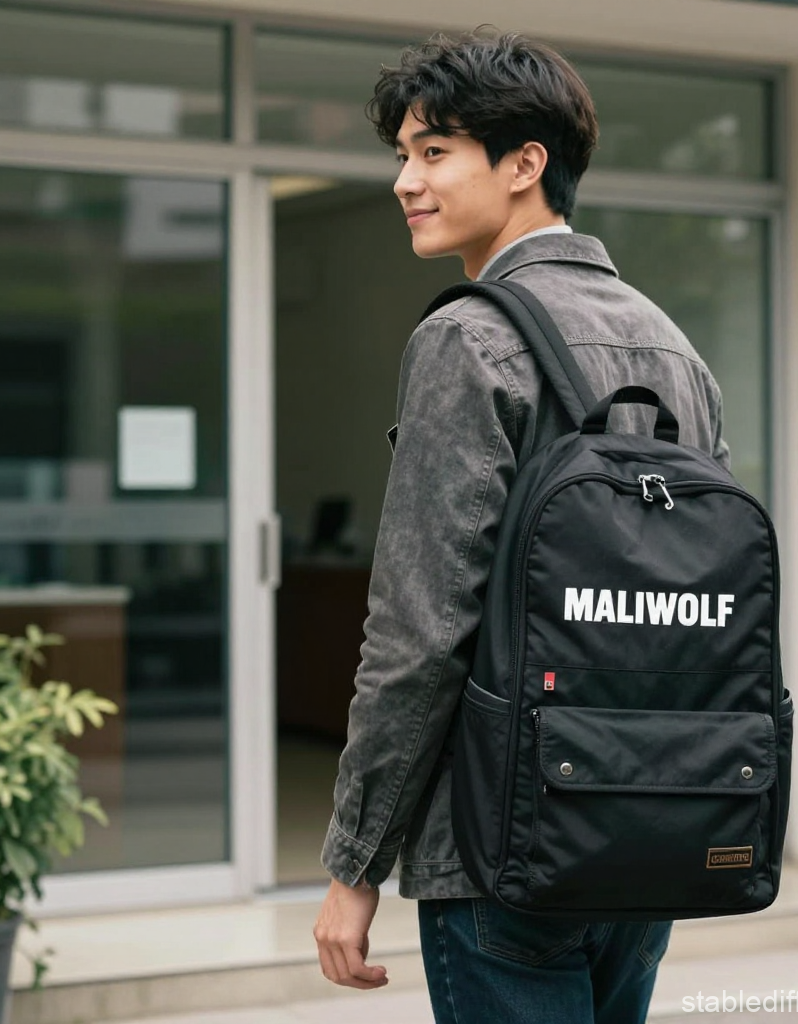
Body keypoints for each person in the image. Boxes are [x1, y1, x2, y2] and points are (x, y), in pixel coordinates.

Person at [313, 30, 730, 1024]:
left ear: (524, 164)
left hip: (499, 837)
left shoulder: (468, 335)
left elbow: (420, 630)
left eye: (433, 151)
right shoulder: (672, 345)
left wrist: (354, 861)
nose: (405, 180)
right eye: (403, 155)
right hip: (644, 822)